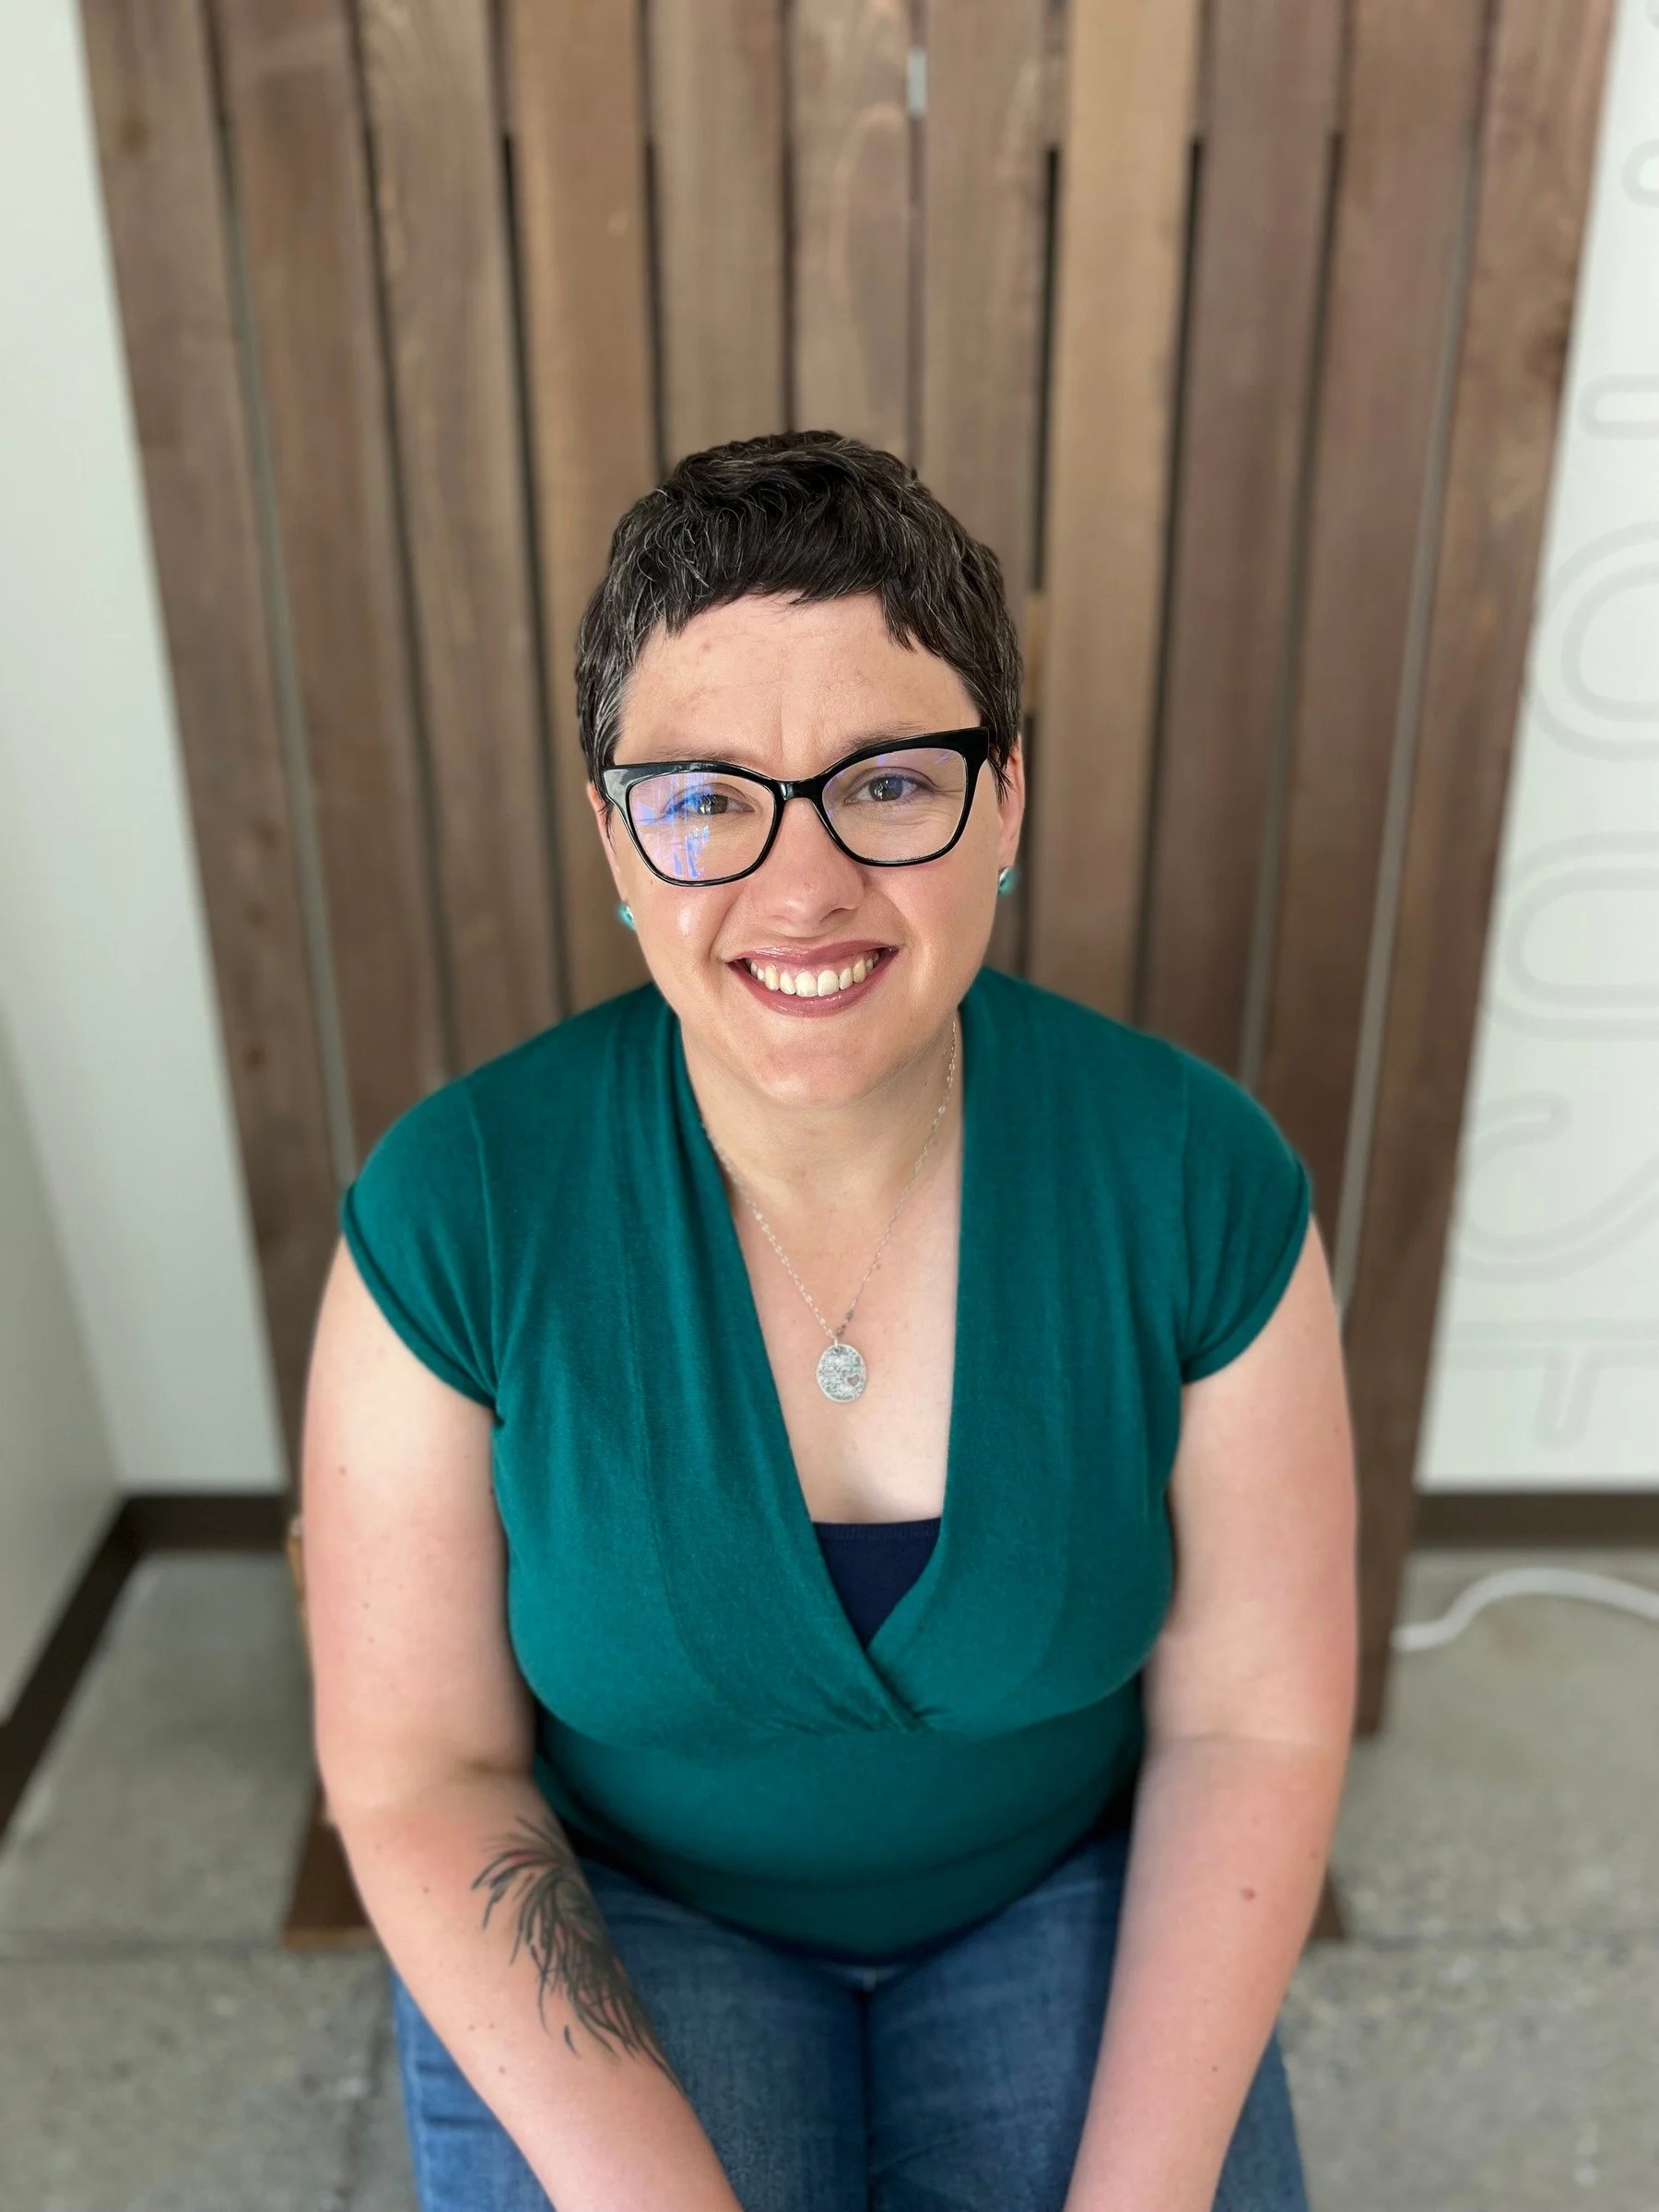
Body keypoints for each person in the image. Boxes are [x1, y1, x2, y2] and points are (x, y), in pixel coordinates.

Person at [300, 430, 1358, 2212]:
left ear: (1004, 801)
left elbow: (1250, 1724)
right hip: (632, 1909)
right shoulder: (457, 1203)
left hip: (1057, 1890)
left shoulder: (1195, 1173)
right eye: (705, 798)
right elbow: (423, 1771)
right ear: (616, 835)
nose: (801, 891)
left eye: (889, 782)